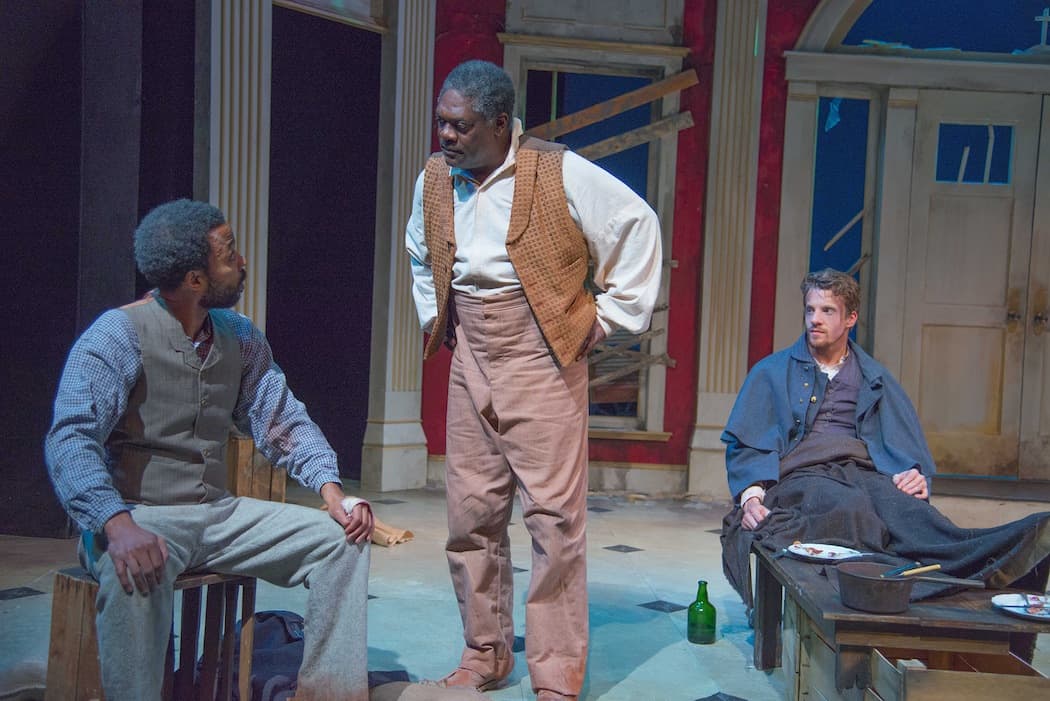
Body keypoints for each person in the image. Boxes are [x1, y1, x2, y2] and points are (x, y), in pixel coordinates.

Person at [45, 199, 374, 701]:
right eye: (229, 253)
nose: (241, 262)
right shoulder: (117, 336)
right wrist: (117, 524)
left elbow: (281, 419)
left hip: (218, 515)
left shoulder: (238, 337)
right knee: (133, 566)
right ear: (196, 280)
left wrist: (333, 494)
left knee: (340, 541)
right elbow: (70, 438)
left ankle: (330, 693)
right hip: (140, 515)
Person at [405, 60, 662, 701]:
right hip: (472, 352)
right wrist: (437, 315)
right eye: (441, 123)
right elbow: (418, 249)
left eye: (459, 126)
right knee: (471, 514)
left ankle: (554, 675)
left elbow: (638, 226)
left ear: (500, 124)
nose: (446, 136)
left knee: (552, 522)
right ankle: (483, 654)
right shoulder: (437, 178)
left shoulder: (557, 170)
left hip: (541, 350)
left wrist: (607, 319)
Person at [720, 268, 1050, 611]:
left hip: (863, 471)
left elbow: (901, 440)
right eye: (810, 310)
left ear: (851, 318)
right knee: (850, 510)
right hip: (802, 474)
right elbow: (750, 442)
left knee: (910, 513)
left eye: (827, 311)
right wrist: (752, 499)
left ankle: (1001, 553)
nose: (815, 320)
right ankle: (879, 587)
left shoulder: (873, 375)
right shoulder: (772, 371)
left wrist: (912, 472)